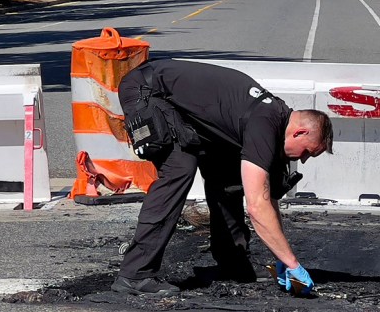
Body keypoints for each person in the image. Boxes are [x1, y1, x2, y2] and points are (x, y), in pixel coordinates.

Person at [111, 59, 334, 298]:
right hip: (148, 90)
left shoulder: (274, 120)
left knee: (228, 176)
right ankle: (135, 273)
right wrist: (292, 264)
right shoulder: (265, 124)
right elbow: (258, 206)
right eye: (308, 152)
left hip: (180, 105)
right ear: (300, 132)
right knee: (179, 169)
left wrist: (281, 256)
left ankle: (232, 262)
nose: (303, 160)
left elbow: (268, 199)